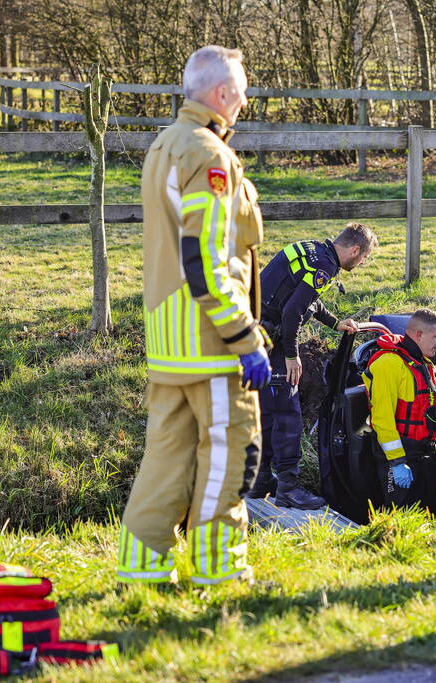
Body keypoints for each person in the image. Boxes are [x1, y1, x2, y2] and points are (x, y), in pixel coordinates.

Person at [116, 46, 271, 586]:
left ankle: (142, 569)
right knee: (231, 457)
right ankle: (219, 571)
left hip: (169, 343)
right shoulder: (209, 155)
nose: (246, 100)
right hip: (211, 345)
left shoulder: (165, 145)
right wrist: (245, 338)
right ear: (222, 94)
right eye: (243, 90)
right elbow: (205, 260)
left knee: (166, 459)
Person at [249, 224, 378, 508]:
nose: (362, 263)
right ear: (355, 250)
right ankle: (288, 489)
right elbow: (292, 312)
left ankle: (259, 482)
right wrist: (292, 356)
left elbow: (308, 302)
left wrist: (335, 323)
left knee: (268, 412)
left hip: (254, 337)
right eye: (364, 258)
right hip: (272, 340)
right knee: (287, 415)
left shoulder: (314, 250)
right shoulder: (325, 266)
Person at [363, 308, 436, 510]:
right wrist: (396, 462)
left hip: (426, 454)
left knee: (428, 510)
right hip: (399, 457)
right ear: (419, 334)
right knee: (401, 513)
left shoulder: (426, 365)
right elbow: (382, 418)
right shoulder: (389, 364)